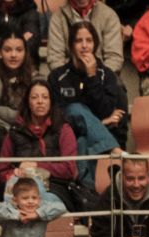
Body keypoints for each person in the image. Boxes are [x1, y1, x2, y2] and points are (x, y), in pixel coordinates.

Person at [47, 19, 126, 155]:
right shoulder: (57, 76)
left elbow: (106, 110)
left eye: (89, 41)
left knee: (83, 142)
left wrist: (92, 77)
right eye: (78, 41)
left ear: (95, 45)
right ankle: (114, 149)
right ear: (71, 46)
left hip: (93, 141)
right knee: (75, 108)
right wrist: (101, 122)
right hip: (67, 137)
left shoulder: (107, 75)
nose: (84, 46)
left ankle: (89, 174)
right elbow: (57, 116)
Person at [0, 79, 80, 207]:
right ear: (28, 103)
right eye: (34, 97)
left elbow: (69, 169)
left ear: (51, 102)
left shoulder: (64, 129)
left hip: (55, 188)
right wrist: (14, 173)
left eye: (45, 97)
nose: (40, 101)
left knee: (39, 203)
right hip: (22, 189)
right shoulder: (15, 132)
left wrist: (35, 166)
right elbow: (1, 173)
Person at [44, 0, 121, 82]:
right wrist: (71, 79)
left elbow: (114, 57)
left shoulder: (109, 16)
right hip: (69, 79)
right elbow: (55, 58)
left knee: (117, 88)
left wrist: (98, 76)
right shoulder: (58, 18)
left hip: (102, 77)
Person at [0, 171, 64, 237]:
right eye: (25, 198)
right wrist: (17, 215)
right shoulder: (9, 208)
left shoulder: (41, 208)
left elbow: (61, 207)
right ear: (15, 200)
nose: (30, 201)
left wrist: (37, 214)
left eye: (34, 198)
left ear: (39, 199)